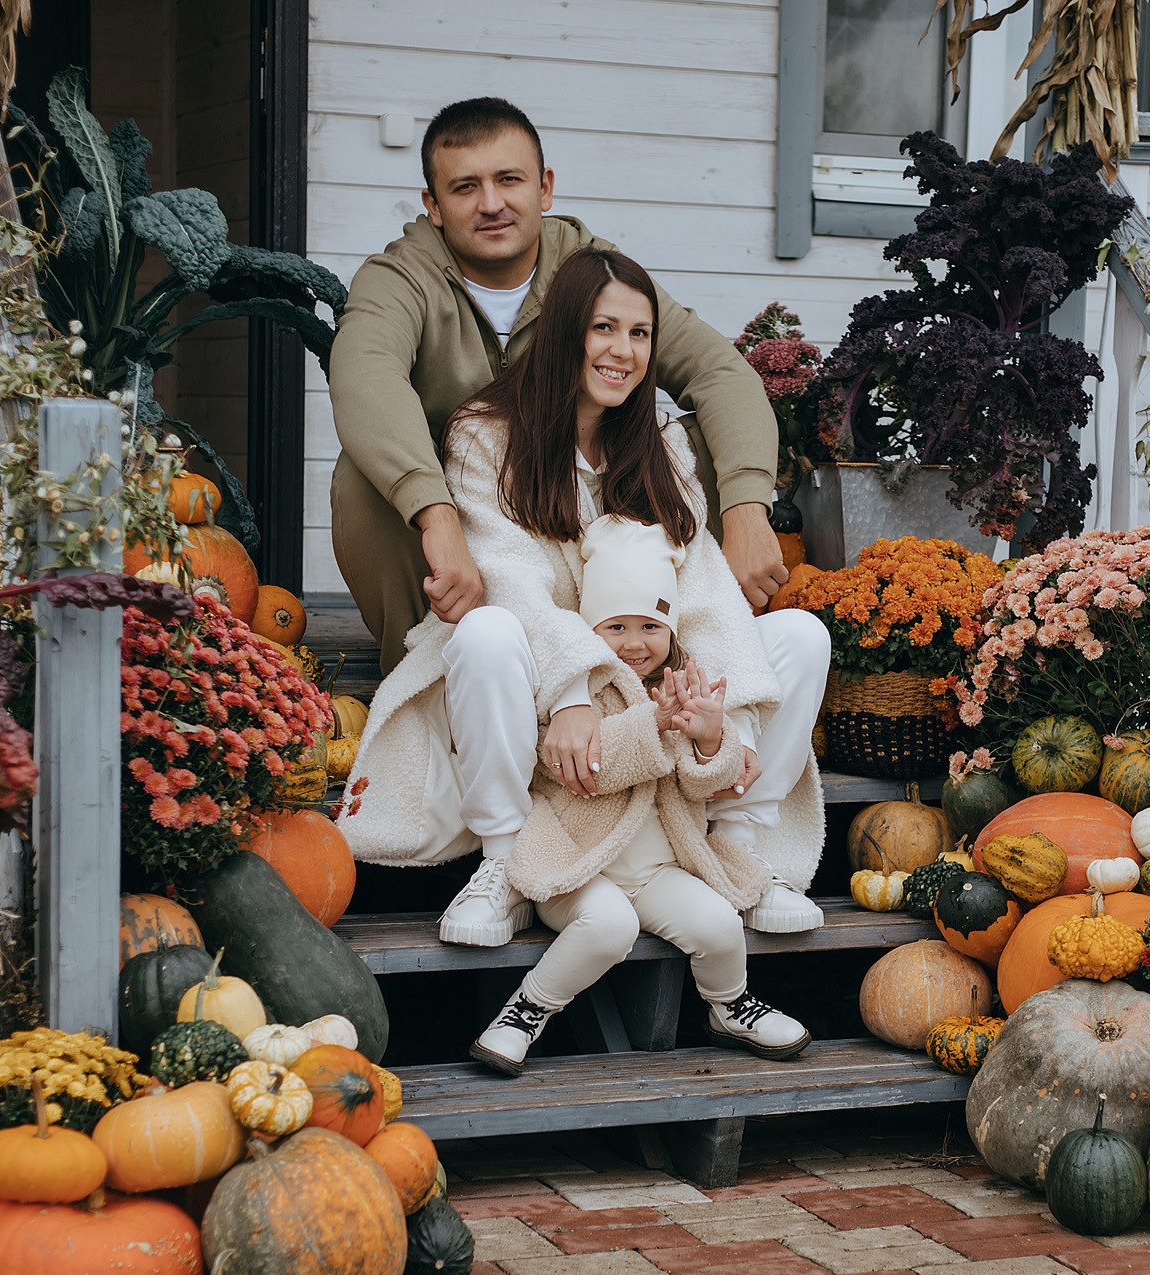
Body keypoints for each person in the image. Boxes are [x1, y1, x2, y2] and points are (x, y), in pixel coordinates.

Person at [332, 99, 830, 933]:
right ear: (432, 202)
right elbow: (368, 382)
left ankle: (743, 852)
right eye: (465, 186)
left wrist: (747, 505)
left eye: (509, 179)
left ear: (545, 186)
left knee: (800, 637)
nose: (491, 201)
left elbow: (718, 375)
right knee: (387, 509)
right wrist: (437, 514)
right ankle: (504, 857)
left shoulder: (597, 284)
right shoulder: (405, 284)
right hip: (493, 585)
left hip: (634, 624)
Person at [467, 514, 811, 1074]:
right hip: (578, 864)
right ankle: (525, 1011)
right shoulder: (576, 690)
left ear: (672, 631)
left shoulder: (679, 685)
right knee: (608, 927)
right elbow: (583, 768)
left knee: (720, 922)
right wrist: (655, 724)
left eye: (650, 627)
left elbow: (706, 786)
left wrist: (708, 739)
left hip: (656, 868)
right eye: (616, 627)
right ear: (590, 630)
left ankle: (728, 1005)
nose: (634, 643)